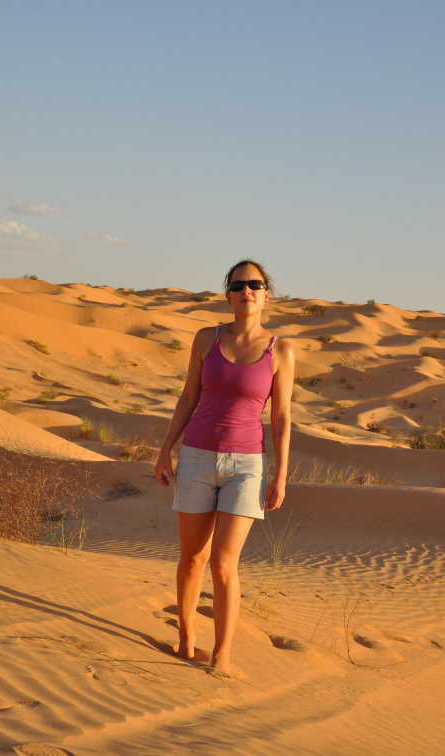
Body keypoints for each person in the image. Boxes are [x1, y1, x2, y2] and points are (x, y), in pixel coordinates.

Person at [154, 260, 294, 675]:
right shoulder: (206, 339)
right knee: (192, 558)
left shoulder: (281, 351)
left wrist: (281, 474)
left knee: (223, 563)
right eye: (238, 285)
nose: (246, 290)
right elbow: (188, 398)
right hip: (196, 457)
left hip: (246, 466)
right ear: (228, 295)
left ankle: (222, 655)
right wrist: (165, 450)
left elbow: (281, 416)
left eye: (255, 284)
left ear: (267, 294)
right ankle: (186, 641)